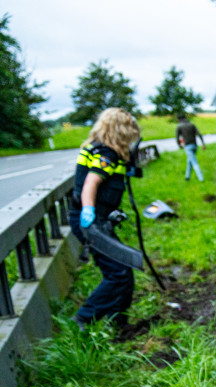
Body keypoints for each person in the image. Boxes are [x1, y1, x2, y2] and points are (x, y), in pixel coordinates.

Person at [70, 107, 141, 328]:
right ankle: (83, 318)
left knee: (123, 272)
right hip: (92, 222)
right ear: (121, 130)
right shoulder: (107, 154)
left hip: (98, 220)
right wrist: (89, 213)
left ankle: (118, 322)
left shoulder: (100, 150)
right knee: (118, 273)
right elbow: (91, 183)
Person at [176, 113, 206, 181]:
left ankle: (201, 178)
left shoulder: (179, 126)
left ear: (178, 119)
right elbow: (199, 134)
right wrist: (203, 144)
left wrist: (179, 145)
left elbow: (177, 138)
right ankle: (187, 177)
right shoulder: (191, 124)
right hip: (194, 145)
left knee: (194, 162)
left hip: (187, 146)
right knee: (189, 161)